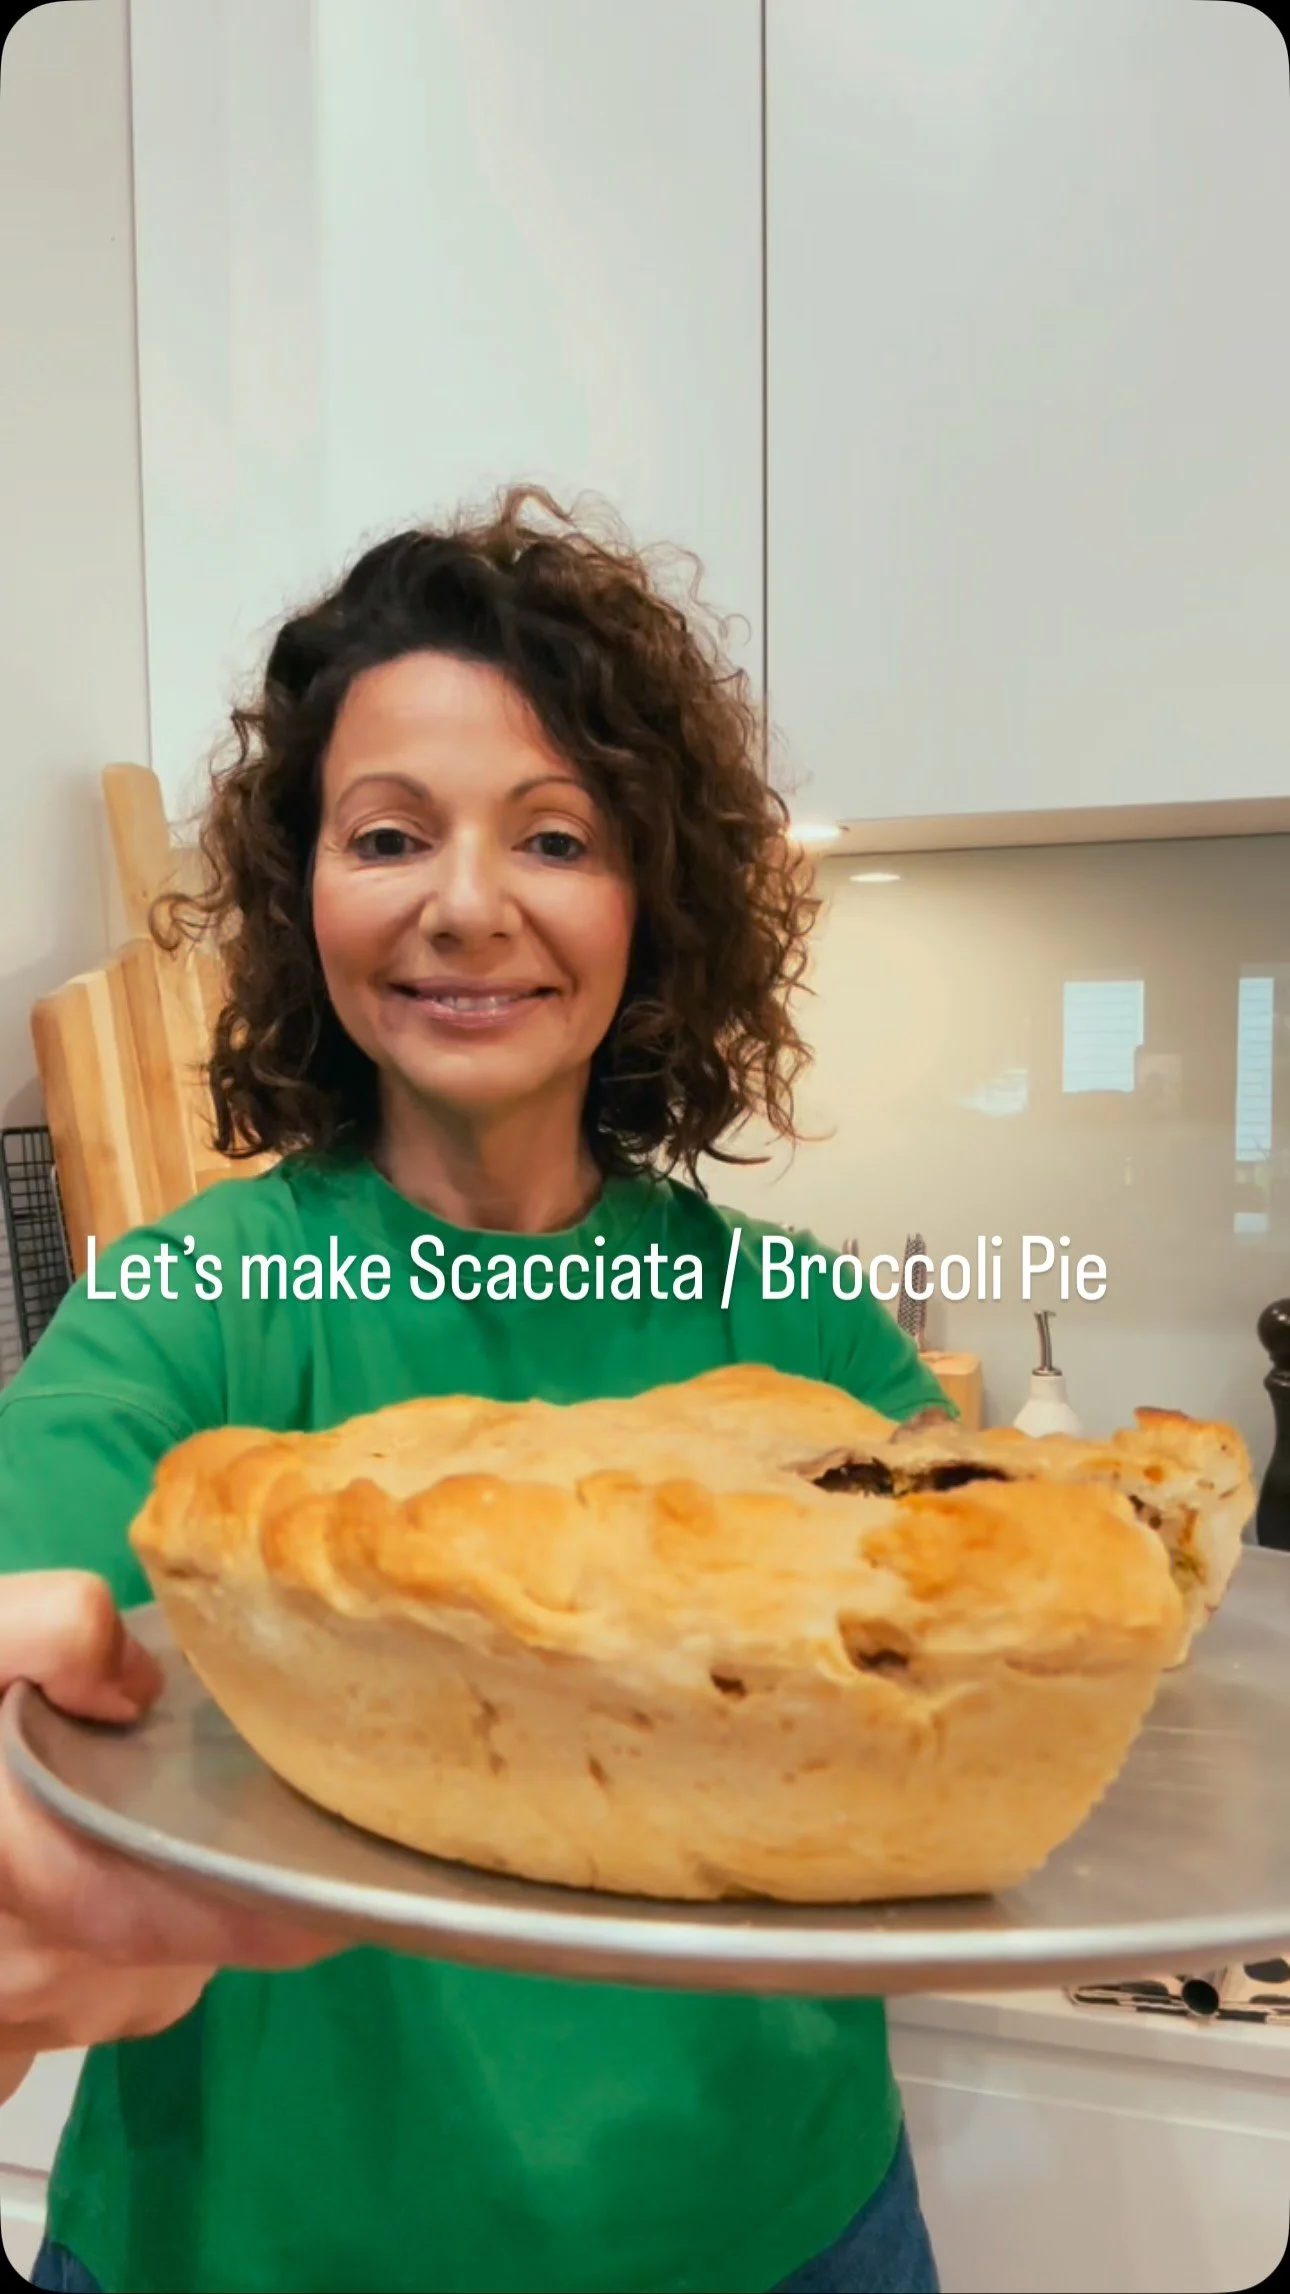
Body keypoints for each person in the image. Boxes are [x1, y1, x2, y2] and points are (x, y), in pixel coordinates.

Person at [0, 485, 947, 2294]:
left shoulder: (801, 1330)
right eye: (387, 834)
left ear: (648, 898)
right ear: (302, 891)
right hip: (254, 2249)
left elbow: (990, 1667)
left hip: (784, 2232)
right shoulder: (192, 1309)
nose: (463, 904)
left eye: (555, 836)